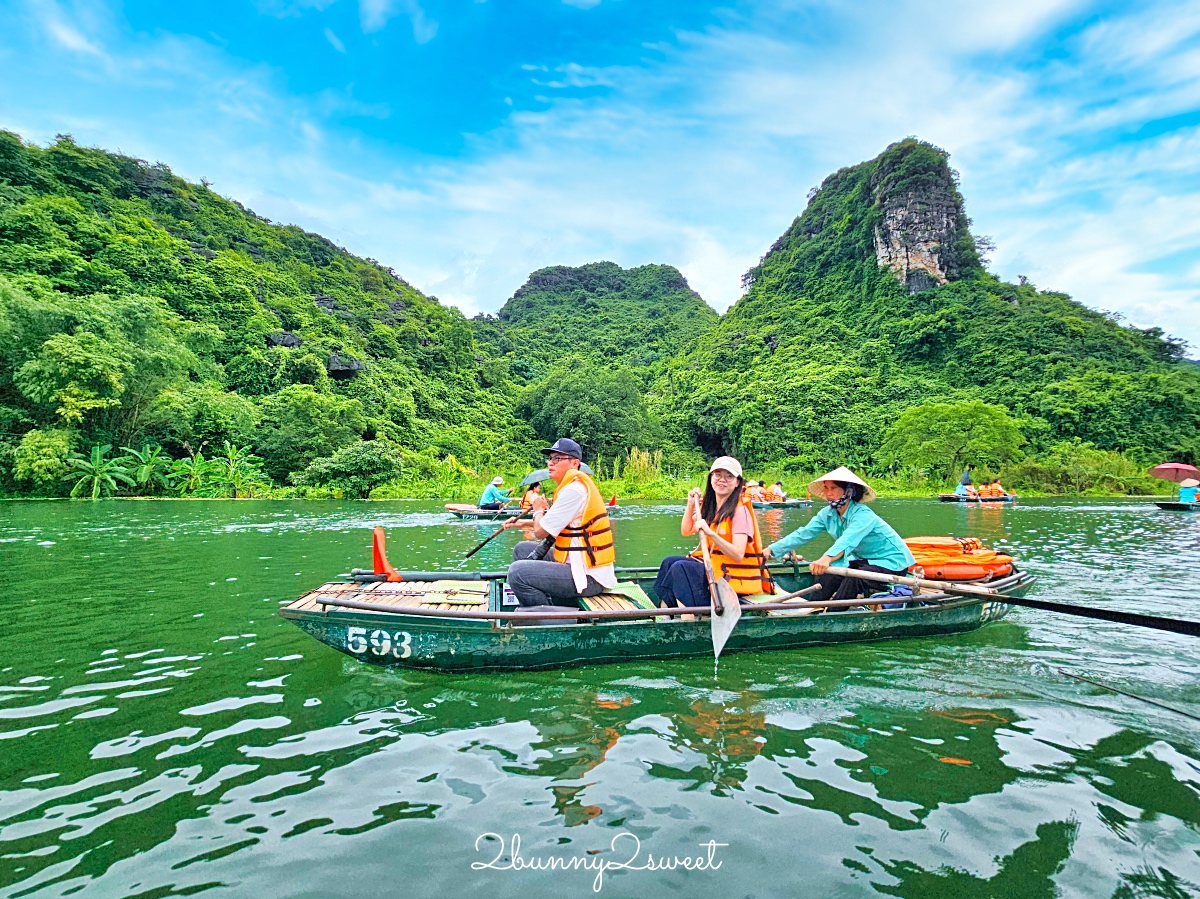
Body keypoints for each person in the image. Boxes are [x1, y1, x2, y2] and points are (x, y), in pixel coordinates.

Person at [763, 466, 915, 603]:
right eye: (826, 488)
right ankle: (813, 609)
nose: (828, 494)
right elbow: (803, 533)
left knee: (855, 577)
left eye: (833, 488)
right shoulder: (828, 514)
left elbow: (848, 540)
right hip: (866, 560)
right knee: (828, 574)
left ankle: (832, 613)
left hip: (892, 562)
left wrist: (826, 558)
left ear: (848, 491)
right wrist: (771, 549)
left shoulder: (863, 515)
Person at [501, 438, 616, 608]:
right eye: (550, 459)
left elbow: (541, 532)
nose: (550, 463)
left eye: (557, 459)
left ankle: (547, 619)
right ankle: (544, 605)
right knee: (521, 549)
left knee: (517, 573)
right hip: (575, 563)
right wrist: (519, 524)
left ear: (575, 463)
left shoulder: (574, 490)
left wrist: (538, 509)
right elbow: (553, 524)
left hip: (588, 576)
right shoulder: (570, 487)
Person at [654, 457, 772, 608]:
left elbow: (737, 554)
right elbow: (686, 530)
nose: (722, 480)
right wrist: (690, 505)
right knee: (669, 562)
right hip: (714, 569)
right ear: (711, 478)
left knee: (681, 568)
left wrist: (711, 533)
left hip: (730, 579)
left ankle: (688, 619)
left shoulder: (740, 511)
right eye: (718, 474)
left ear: (738, 483)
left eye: (729, 476)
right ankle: (664, 617)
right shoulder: (712, 507)